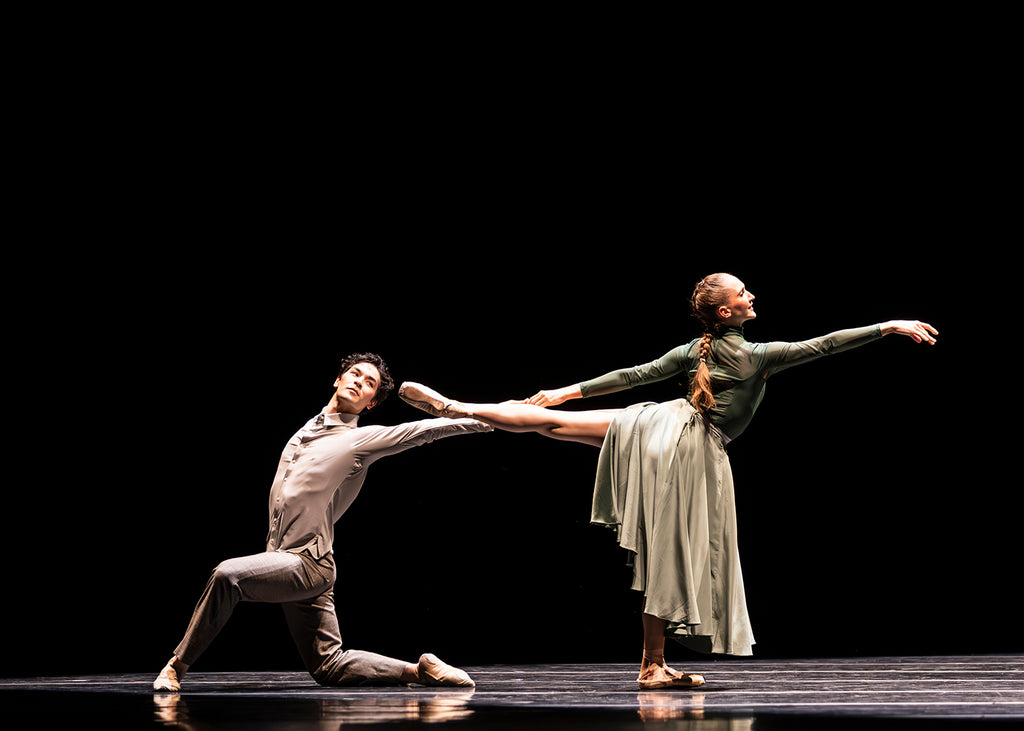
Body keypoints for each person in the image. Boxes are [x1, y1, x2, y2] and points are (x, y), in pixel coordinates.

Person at [398, 273, 938, 690]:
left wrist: (566, 391)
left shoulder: (693, 351)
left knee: (552, 424)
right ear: (727, 312)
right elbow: (824, 345)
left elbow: (633, 376)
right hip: (692, 449)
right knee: (672, 558)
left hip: (659, 424)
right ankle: (652, 664)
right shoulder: (756, 356)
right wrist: (886, 327)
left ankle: (458, 407)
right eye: (743, 293)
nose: (752, 296)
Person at [154, 352, 493, 692]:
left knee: (228, 575)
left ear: (371, 403)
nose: (359, 381)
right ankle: (419, 671)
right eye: (355, 374)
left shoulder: (358, 440)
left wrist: (482, 417)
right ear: (338, 379)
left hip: (307, 564)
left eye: (369, 383)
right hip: (285, 560)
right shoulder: (307, 429)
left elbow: (419, 431)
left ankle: (175, 667)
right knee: (327, 666)